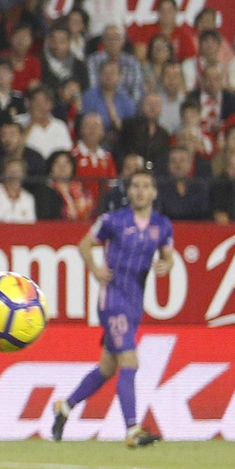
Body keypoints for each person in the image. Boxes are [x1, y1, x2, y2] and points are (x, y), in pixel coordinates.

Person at [52, 171, 173, 448]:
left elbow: (168, 255)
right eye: (135, 186)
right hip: (113, 300)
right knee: (130, 362)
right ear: (128, 192)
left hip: (134, 303)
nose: (140, 191)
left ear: (154, 192)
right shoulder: (113, 221)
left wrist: (168, 265)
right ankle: (132, 430)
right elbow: (84, 245)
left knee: (107, 368)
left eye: (146, 186)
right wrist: (96, 268)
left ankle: (64, 407)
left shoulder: (162, 226)